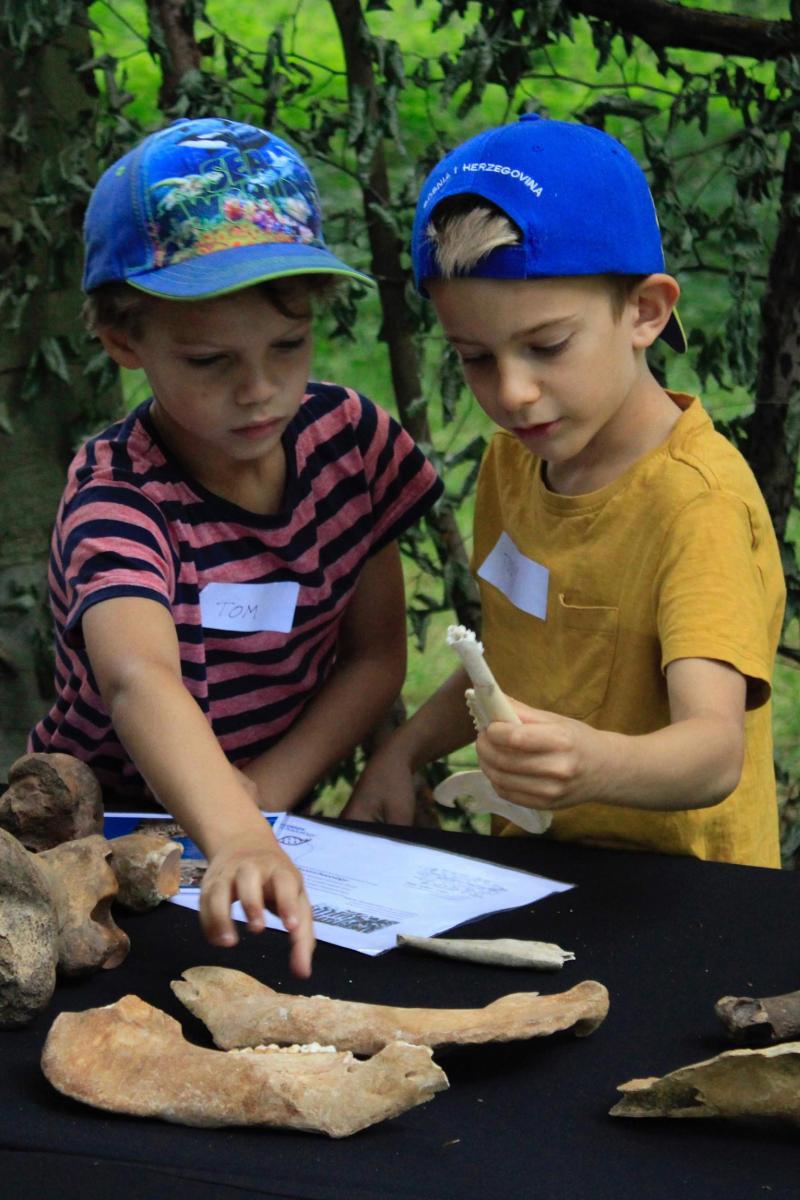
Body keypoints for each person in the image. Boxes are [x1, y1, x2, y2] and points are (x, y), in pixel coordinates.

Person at [29, 117, 443, 973]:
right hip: (96, 848)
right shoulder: (117, 493)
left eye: (288, 346)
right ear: (124, 341)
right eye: (211, 361)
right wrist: (238, 827)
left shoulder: (352, 444)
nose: (259, 390)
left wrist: (261, 805)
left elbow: (374, 657)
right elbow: (138, 676)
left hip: (253, 835)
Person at [344, 113, 785, 869]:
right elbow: (511, 662)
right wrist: (403, 752)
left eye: (547, 346)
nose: (512, 393)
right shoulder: (512, 464)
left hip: (684, 896)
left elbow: (714, 753)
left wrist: (593, 765)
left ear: (645, 312)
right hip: (535, 874)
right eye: (475, 357)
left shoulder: (698, 504)